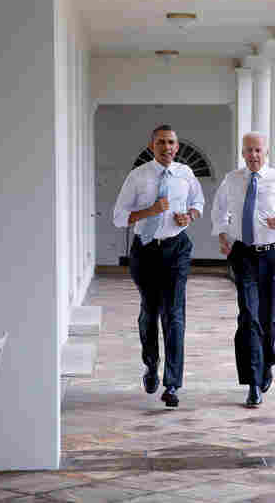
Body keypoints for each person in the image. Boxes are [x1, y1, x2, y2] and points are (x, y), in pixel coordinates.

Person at [211, 132, 275, 407]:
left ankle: (267, 359)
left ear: (267, 152)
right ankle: (253, 382)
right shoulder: (233, 180)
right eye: (248, 151)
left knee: (267, 319)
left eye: (258, 150)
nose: (253, 155)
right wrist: (222, 236)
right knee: (249, 316)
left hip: (272, 255)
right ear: (243, 153)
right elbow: (219, 211)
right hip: (243, 255)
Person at [112, 124, 204, 408]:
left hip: (176, 248)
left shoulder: (186, 174)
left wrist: (189, 215)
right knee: (149, 312)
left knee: (174, 314)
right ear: (153, 146)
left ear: (177, 147)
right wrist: (150, 211)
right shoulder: (138, 177)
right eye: (162, 142)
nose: (167, 148)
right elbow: (118, 217)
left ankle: (173, 384)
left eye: (172, 143)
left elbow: (198, 202)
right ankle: (151, 366)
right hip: (145, 251)